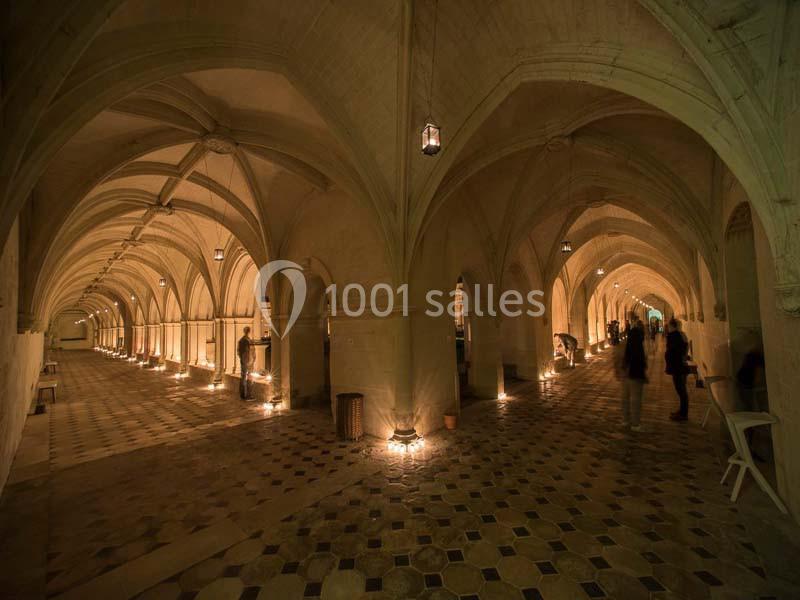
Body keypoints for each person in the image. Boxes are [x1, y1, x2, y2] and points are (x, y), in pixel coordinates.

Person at [616, 314, 647, 431]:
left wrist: (621, 370)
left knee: (625, 398)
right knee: (635, 400)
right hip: (635, 374)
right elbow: (640, 359)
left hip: (627, 373)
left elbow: (622, 357)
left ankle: (626, 420)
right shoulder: (637, 345)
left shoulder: (627, 343)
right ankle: (635, 424)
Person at [665, 318, 689, 421]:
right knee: (682, 390)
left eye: (669, 326)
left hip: (677, 367)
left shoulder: (673, 336)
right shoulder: (682, 335)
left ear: (672, 326)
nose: (668, 328)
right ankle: (682, 411)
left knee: (681, 390)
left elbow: (672, 351)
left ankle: (683, 414)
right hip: (681, 366)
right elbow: (685, 349)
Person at [237, 326, 254, 400]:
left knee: (243, 377)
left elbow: (238, 352)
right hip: (247, 362)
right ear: (248, 331)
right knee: (247, 377)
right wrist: (249, 360)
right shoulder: (246, 340)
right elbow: (248, 351)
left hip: (245, 361)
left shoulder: (241, 340)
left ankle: (243, 394)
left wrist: (242, 359)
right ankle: (247, 395)